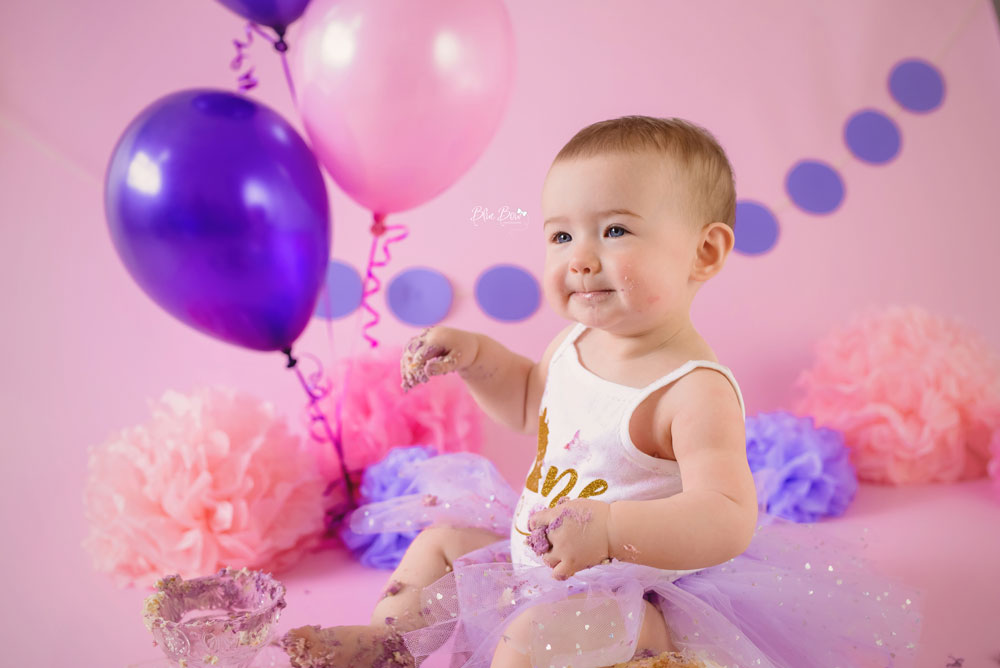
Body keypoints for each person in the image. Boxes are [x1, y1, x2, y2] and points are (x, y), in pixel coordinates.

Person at [281, 116, 923, 668]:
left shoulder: (691, 389)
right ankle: (391, 641)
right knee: (441, 543)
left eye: (614, 231)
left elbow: (726, 516)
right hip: (542, 556)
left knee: (533, 637)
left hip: (639, 592)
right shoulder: (573, 342)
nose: (580, 258)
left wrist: (612, 529)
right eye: (562, 235)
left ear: (704, 253)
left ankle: (652, 645)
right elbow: (533, 404)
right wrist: (477, 359)